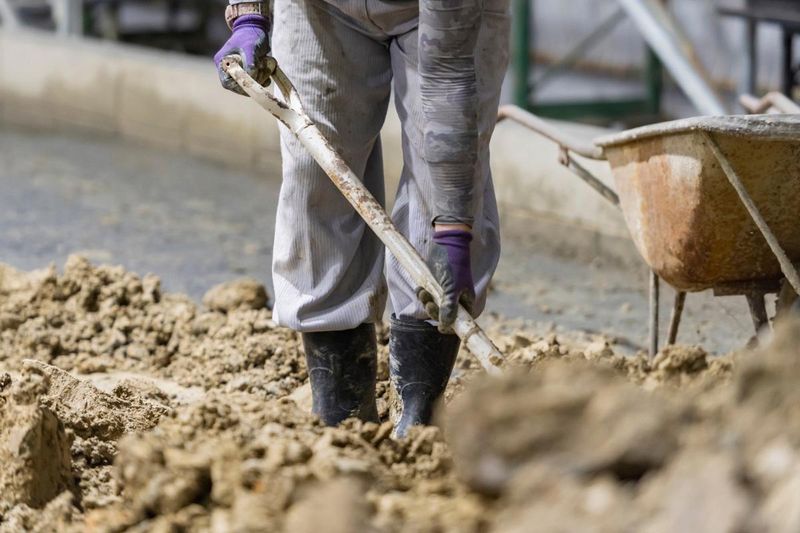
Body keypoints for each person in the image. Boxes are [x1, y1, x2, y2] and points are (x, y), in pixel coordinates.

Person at [215, 0, 509, 437]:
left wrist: (453, 231)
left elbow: (448, 80)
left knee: (439, 182)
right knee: (314, 175)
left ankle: (419, 417)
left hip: (445, 14)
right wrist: (249, 13)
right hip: (321, 9)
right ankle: (342, 416)